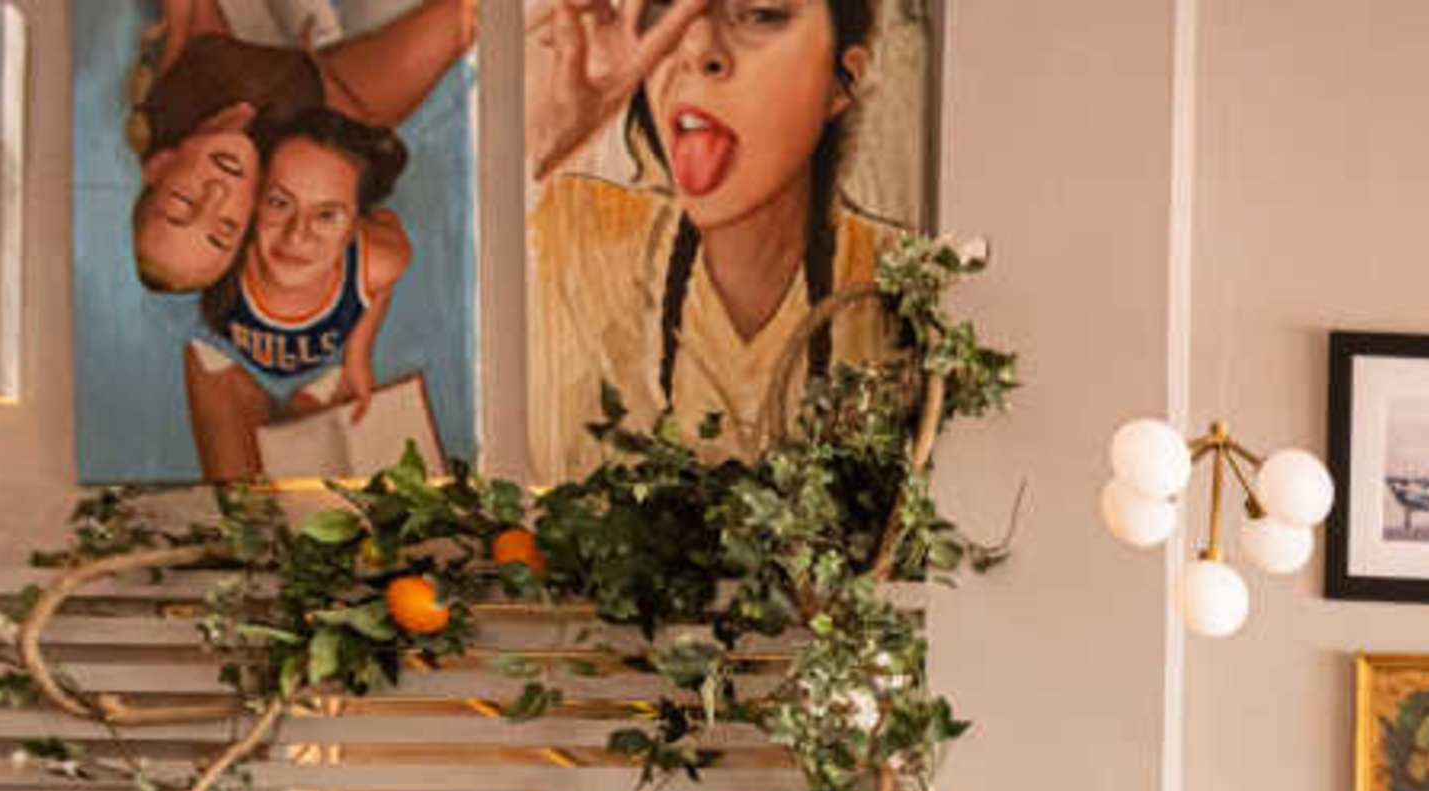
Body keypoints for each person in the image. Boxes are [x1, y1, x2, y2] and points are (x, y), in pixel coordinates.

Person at [527, 0, 912, 476]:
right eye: (663, 12)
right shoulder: (572, 236)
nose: (695, 48)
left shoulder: (904, 285)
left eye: (758, 13)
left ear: (841, 81)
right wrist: (548, 129)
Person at [123, 0, 474, 294]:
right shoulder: (301, 149)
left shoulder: (174, 99)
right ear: (253, 214)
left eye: (182, 201)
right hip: (342, 75)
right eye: (227, 226)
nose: (217, 193)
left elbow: (193, 17)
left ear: (159, 166)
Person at [180, 103, 410, 481]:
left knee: (313, 503)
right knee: (240, 505)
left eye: (326, 215)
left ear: (355, 223)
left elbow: (383, 276)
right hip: (227, 359)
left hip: (316, 372)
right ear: (251, 200)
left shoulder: (381, 259)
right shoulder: (220, 246)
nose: (296, 234)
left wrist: (358, 354)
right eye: (279, 203)